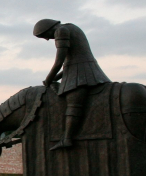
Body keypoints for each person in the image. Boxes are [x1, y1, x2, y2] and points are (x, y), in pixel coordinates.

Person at [34, 19, 111, 150]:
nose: (47, 39)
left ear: (48, 29)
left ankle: (67, 138)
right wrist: (54, 79)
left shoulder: (61, 31)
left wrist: (48, 79)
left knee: (73, 103)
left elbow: (59, 62)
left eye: (44, 36)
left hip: (83, 72)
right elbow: (70, 64)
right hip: (80, 69)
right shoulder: (71, 27)